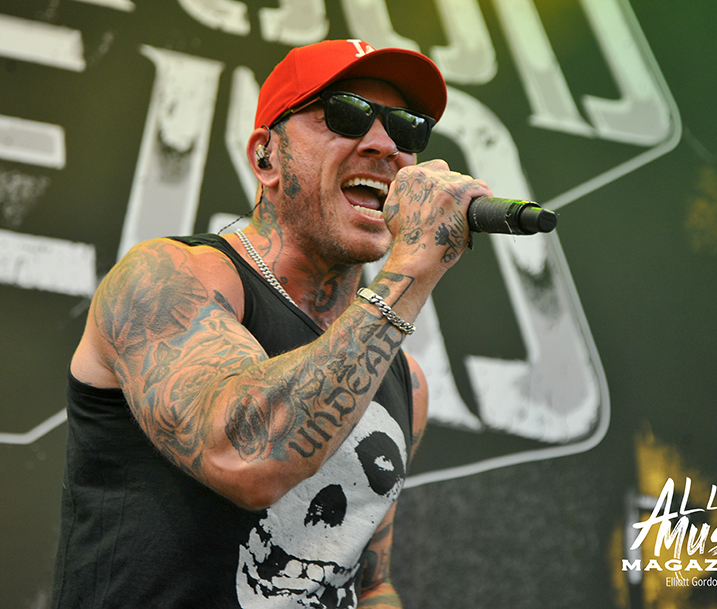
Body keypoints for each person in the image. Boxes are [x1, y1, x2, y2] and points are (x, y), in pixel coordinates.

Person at [52, 39, 492, 608]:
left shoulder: (406, 383)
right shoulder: (166, 278)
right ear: (266, 156)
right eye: (347, 114)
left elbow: (367, 581)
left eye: (407, 129)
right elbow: (244, 457)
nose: (385, 145)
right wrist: (412, 269)